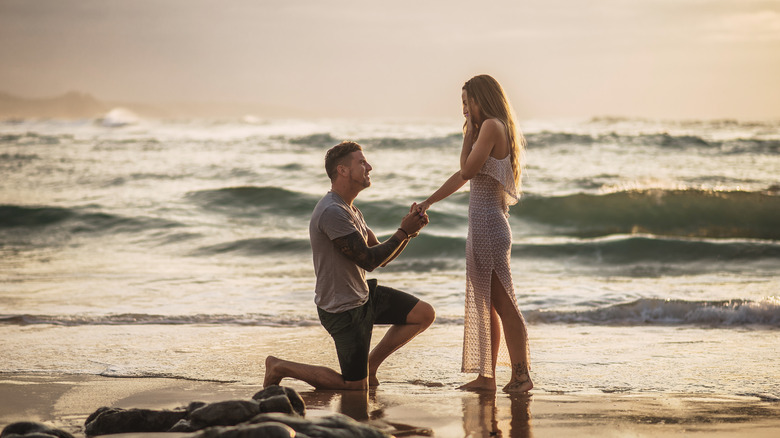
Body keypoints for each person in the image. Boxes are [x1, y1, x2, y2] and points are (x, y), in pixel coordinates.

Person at [264, 141, 435, 390]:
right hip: (342, 310)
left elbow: (381, 256)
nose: (370, 167)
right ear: (343, 170)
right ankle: (280, 366)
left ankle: (370, 366)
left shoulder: (351, 209)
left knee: (424, 314)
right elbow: (368, 260)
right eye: (362, 162)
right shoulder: (332, 212)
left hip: (362, 297)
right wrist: (403, 231)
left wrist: (409, 232)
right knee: (354, 388)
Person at [417, 74, 533, 393]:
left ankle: (522, 375)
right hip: (480, 227)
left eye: (468, 102)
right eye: (462, 104)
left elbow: (467, 171)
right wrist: (429, 201)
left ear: (483, 99)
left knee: (505, 304)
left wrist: (468, 133)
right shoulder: (485, 128)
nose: (465, 109)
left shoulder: (493, 126)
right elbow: (463, 173)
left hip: (490, 228)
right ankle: (487, 377)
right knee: (488, 305)